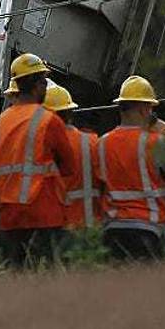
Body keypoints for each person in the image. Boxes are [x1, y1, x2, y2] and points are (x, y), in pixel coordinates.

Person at [0, 55, 76, 268]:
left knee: (15, 278)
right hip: (43, 213)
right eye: (44, 82)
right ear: (38, 85)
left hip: (8, 215)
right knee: (44, 279)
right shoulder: (49, 121)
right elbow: (69, 166)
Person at [96, 75, 165, 261]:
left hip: (112, 228)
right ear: (144, 109)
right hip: (148, 227)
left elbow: (97, 186)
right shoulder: (155, 142)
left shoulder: (102, 143)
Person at [45, 85, 100, 231]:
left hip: (61, 226)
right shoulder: (93, 141)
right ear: (70, 113)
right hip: (93, 226)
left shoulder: (46, 145)